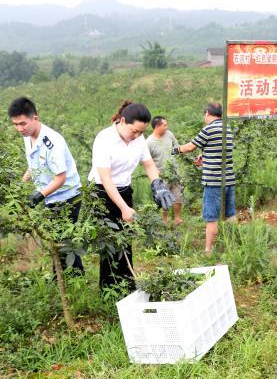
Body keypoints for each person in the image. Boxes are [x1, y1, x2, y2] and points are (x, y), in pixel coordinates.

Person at [88, 101, 175, 290]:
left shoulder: (139, 139)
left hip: (124, 190)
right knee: (109, 242)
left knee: (125, 238)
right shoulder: (104, 139)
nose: (136, 136)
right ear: (123, 120)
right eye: (133, 131)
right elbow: (105, 178)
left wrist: (157, 184)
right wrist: (124, 208)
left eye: (140, 132)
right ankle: (109, 289)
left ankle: (127, 285)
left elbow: (149, 165)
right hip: (102, 192)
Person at [8, 97, 84, 275]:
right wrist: (21, 184)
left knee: (64, 239)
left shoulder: (52, 141)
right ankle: (63, 274)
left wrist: (39, 195)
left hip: (67, 195)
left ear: (35, 118)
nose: (19, 129)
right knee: (58, 237)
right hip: (49, 194)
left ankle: (72, 275)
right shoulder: (28, 136)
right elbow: (33, 164)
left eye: (23, 123)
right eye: (16, 124)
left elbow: (61, 178)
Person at [173, 102, 235, 254]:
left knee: (211, 218)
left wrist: (175, 149)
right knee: (230, 215)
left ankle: (208, 252)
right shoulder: (227, 127)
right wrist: (205, 155)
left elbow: (190, 147)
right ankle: (233, 247)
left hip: (213, 181)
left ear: (207, 113)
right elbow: (221, 150)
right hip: (229, 179)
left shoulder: (209, 129)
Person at [146, 116, 184, 226]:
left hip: (174, 172)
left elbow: (177, 147)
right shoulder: (149, 142)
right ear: (157, 126)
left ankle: (177, 219)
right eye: (164, 125)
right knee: (164, 198)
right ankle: (165, 220)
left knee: (178, 196)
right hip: (161, 176)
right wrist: (154, 170)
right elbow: (146, 160)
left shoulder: (169, 134)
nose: (167, 127)